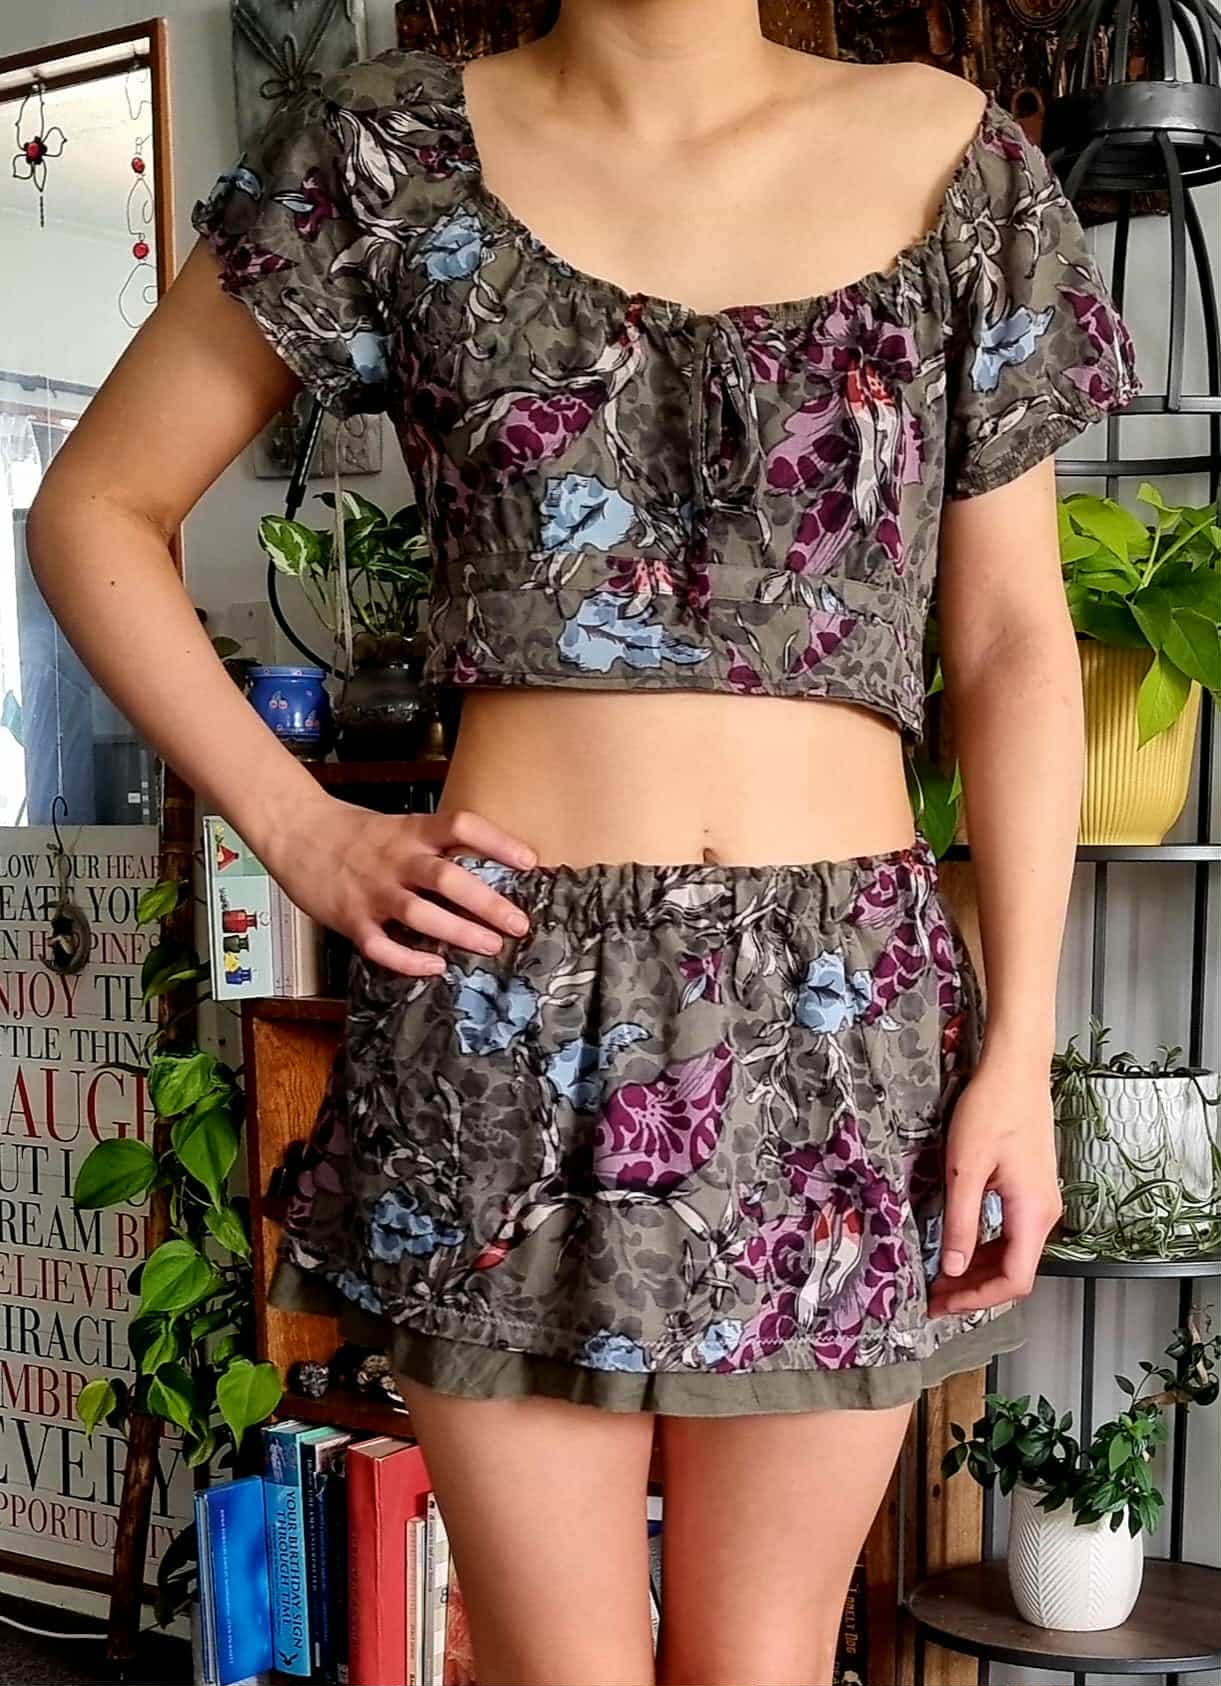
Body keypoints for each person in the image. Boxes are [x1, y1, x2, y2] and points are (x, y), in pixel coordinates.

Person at [27, 3, 1140, 1682]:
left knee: (764, 1662)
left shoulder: (951, 160)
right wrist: (300, 827)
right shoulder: (383, 148)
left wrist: (1019, 1051)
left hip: (839, 1033)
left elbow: (1008, 646)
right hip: (502, 1012)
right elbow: (93, 508)